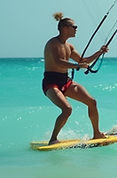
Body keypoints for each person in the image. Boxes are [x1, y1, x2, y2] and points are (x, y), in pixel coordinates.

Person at [43, 13, 109, 145]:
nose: (76, 29)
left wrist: (99, 52)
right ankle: (53, 139)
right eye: (74, 27)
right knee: (67, 109)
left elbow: (82, 60)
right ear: (65, 28)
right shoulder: (53, 44)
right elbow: (58, 62)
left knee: (92, 102)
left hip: (65, 80)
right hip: (51, 82)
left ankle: (96, 133)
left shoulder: (69, 46)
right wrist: (77, 65)